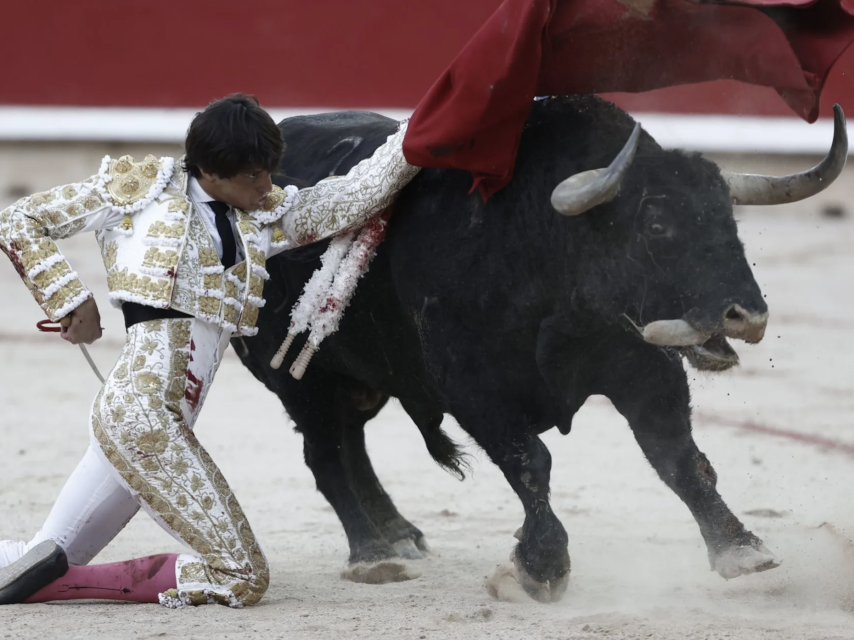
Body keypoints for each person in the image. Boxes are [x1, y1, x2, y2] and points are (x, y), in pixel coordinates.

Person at [0, 94, 419, 608]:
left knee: (43, 554)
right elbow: (20, 220)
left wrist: (418, 136)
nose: (266, 186)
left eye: (269, 171)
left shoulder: (262, 217)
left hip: (162, 422)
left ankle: (45, 577)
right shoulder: (139, 191)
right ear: (211, 171)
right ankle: (60, 585)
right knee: (241, 576)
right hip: (142, 421)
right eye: (253, 175)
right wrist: (70, 300)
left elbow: (352, 197)